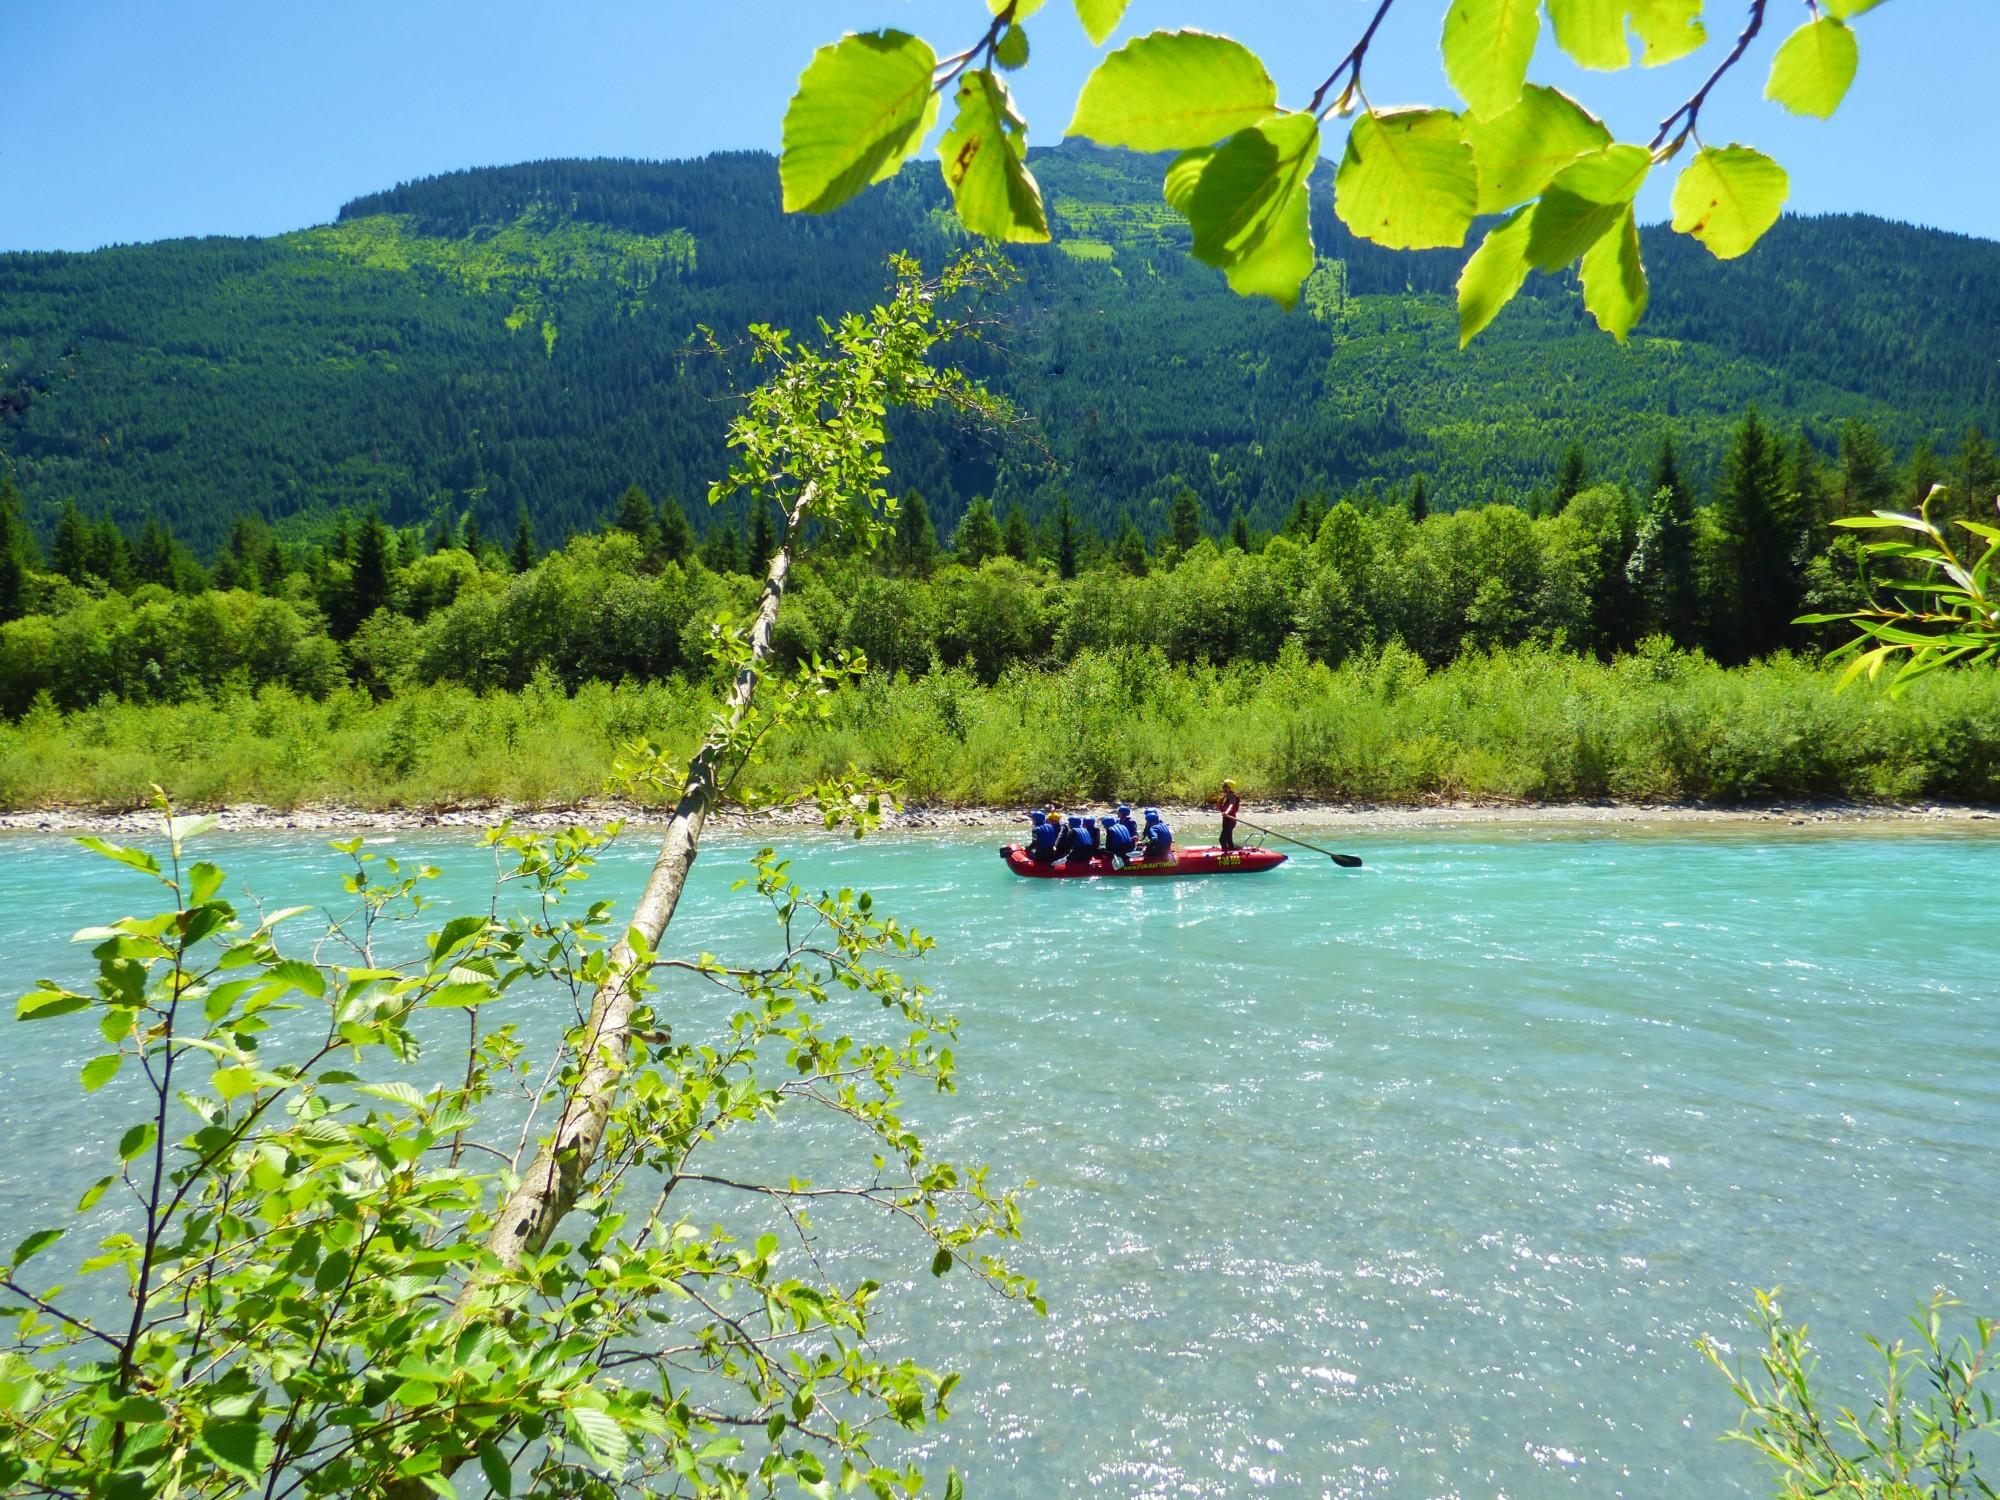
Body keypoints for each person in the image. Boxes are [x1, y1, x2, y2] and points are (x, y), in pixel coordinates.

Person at [1216, 778, 1241, 852]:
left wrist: (1226, 812)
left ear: (1229, 788)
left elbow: (1231, 806)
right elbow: (1218, 808)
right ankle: (1231, 850)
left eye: (1224, 786)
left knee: (1222, 840)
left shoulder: (1233, 796)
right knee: (1228, 840)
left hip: (1230, 820)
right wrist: (1220, 800)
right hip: (1226, 820)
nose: (1222, 788)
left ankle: (1225, 854)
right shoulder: (1225, 797)